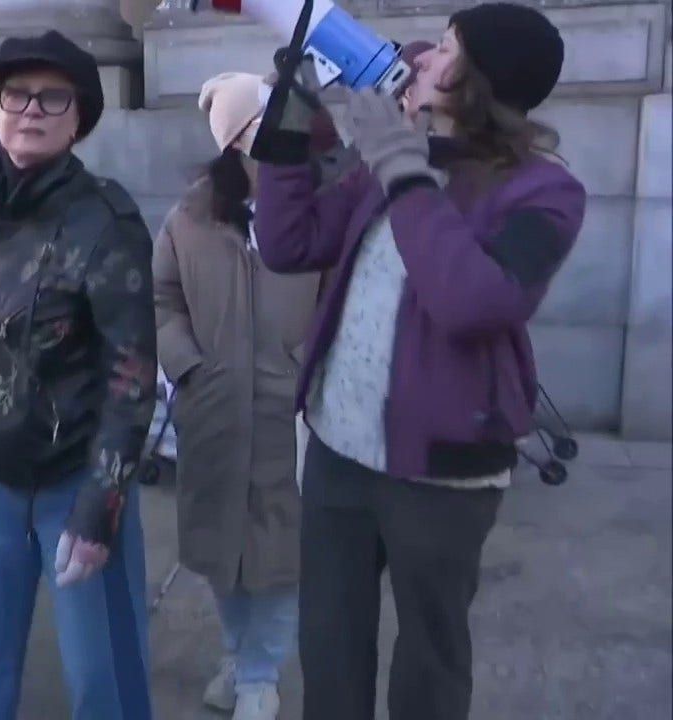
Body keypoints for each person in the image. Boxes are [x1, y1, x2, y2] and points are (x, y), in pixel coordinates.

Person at [250, 6, 584, 720]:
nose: (421, 54)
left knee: (430, 659)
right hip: (338, 450)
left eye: (448, 50)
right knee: (330, 648)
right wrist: (294, 112)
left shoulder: (545, 191)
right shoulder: (396, 162)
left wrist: (400, 164)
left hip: (444, 470)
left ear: (484, 84)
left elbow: (474, 300)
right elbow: (287, 242)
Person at [0, 30, 157, 720]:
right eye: (15, 93)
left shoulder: (104, 218)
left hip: (75, 476)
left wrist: (101, 506)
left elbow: (132, 372)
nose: (31, 108)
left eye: (53, 96)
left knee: (102, 672)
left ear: (79, 115)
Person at [153, 71, 321, 720]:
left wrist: (312, 366)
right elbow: (163, 299)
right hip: (215, 405)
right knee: (221, 547)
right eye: (265, 127)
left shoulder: (317, 207)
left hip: (292, 407)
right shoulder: (190, 217)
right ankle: (235, 652)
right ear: (237, 139)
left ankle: (259, 674)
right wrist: (186, 365)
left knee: (282, 551)